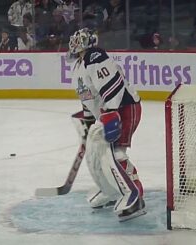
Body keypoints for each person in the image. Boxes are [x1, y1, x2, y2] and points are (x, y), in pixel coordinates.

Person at [68, 28, 146, 221]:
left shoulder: (95, 56)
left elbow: (114, 84)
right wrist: (88, 120)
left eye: (80, 39)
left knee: (116, 154)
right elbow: (88, 98)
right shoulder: (78, 66)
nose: (75, 42)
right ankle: (110, 190)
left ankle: (135, 196)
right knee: (97, 154)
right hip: (108, 112)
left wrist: (110, 113)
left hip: (125, 108)